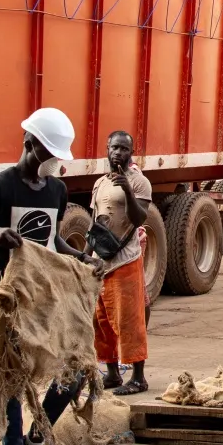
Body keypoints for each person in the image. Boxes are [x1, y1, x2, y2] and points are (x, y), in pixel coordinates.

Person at [0, 107, 97, 445]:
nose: (54, 163)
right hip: (11, 299)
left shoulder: (56, 189)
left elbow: (51, 239)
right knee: (12, 376)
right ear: (30, 144)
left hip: (46, 297)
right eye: (49, 154)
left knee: (77, 368)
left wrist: (81, 259)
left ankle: (39, 436)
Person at [90, 129, 154, 395]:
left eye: (124, 149)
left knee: (129, 320)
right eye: (114, 147)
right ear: (107, 148)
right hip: (100, 260)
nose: (118, 153)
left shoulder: (139, 182)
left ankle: (138, 377)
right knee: (101, 321)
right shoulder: (100, 183)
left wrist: (127, 189)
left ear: (132, 153)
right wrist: (86, 255)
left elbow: (139, 218)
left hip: (125, 260)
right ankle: (113, 373)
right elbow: (95, 221)